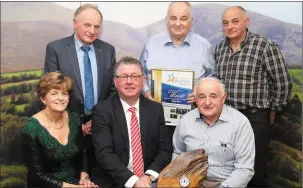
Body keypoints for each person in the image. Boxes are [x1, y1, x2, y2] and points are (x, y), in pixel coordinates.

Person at [214, 6, 292, 186]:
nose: (230, 26)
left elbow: (283, 81)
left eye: (235, 21)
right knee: (228, 167)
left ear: (246, 22)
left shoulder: (264, 46)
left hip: (255, 118)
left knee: (254, 169)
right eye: (225, 23)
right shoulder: (219, 49)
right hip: (227, 117)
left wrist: (274, 109)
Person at [44, 4, 117, 176]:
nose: (92, 30)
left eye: (97, 26)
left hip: (101, 129)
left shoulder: (108, 51)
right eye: (87, 25)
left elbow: (112, 90)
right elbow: (52, 92)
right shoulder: (56, 49)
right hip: (65, 128)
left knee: (99, 178)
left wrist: (98, 120)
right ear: (75, 23)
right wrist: (76, 124)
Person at [139, 1, 216, 141]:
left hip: (194, 119)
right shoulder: (152, 44)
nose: (178, 23)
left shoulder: (204, 46)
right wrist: (145, 91)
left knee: (190, 160)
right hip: (156, 119)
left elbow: (213, 76)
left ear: (191, 21)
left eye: (183, 18)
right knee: (158, 160)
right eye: (173, 18)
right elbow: (140, 75)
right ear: (167, 19)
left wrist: (201, 92)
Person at [91, 56, 173, 188]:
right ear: (115, 82)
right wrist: (134, 181)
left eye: (135, 76)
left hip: (148, 181)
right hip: (114, 181)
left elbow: (165, 150)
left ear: (143, 80)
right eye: (123, 77)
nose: (129, 81)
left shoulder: (155, 109)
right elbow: (104, 153)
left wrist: (147, 177)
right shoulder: (102, 111)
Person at [173, 77, 255, 187]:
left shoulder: (240, 123)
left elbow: (244, 169)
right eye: (202, 97)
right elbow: (178, 154)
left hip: (226, 184)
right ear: (195, 99)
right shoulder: (185, 121)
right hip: (190, 183)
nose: (207, 102)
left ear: (223, 98)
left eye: (213, 96)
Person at [21, 72, 98, 188]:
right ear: (43, 98)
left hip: (76, 183)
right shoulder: (31, 128)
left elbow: (83, 154)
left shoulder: (74, 119)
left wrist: (84, 179)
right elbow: (36, 174)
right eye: (54, 94)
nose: (61, 98)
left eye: (64, 93)